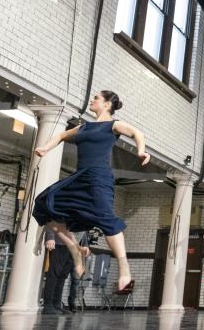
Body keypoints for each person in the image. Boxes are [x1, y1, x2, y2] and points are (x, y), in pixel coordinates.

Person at [33, 90, 148, 293]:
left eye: (96, 98)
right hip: (80, 176)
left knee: (106, 219)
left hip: (98, 177)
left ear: (106, 105)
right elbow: (60, 135)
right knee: (44, 204)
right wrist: (45, 148)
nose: (92, 100)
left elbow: (137, 133)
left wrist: (140, 151)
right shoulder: (84, 126)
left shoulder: (113, 125)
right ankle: (75, 250)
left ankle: (124, 267)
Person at [42, 229, 89, 314]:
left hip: (72, 249)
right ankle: (48, 305)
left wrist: (85, 245)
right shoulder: (69, 215)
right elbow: (53, 221)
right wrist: (50, 237)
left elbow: (82, 231)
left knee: (62, 276)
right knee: (53, 274)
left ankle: (57, 305)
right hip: (59, 245)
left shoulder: (84, 219)